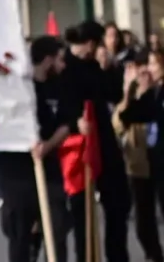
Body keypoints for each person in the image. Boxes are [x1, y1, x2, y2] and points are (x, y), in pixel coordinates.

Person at [0, 35, 70, 262]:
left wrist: (48, 146)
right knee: (20, 234)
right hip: (16, 173)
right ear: (47, 60)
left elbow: (67, 123)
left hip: (49, 171)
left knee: (57, 229)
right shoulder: (15, 88)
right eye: (59, 59)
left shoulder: (59, 86)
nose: (62, 65)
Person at [60, 20, 130, 262]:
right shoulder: (64, 66)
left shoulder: (96, 66)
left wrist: (109, 68)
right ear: (90, 43)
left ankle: (117, 255)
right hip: (76, 145)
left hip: (103, 140)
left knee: (119, 201)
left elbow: (113, 94)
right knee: (82, 211)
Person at [113, 53, 161, 262]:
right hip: (139, 164)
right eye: (142, 72)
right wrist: (127, 92)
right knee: (144, 216)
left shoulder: (158, 95)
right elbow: (119, 122)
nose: (146, 75)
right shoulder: (131, 100)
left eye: (149, 70)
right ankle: (153, 252)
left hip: (159, 161)